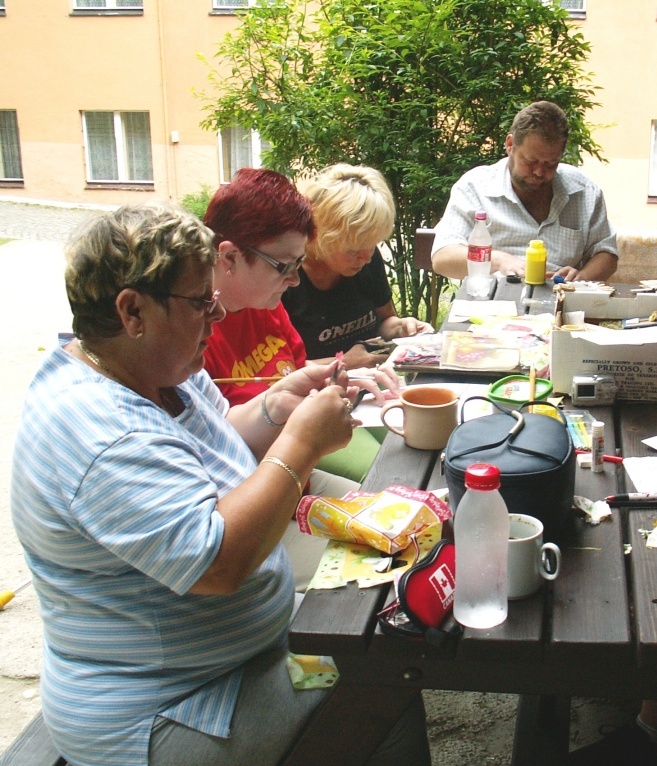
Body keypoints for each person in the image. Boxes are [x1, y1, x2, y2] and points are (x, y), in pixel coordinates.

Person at [10, 204, 431, 766]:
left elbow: (216, 442)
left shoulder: (150, 368)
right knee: (380, 677)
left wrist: (279, 406)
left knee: (377, 633)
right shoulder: (99, 431)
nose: (217, 314)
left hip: (221, 664)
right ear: (132, 310)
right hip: (167, 709)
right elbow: (218, 565)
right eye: (200, 303)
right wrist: (300, 445)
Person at [204, 168, 398, 485]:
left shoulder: (262, 300)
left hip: (294, 477)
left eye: (298, 264)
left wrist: (339, 375)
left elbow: (291, 370)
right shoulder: (192, 335)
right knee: (388, 480)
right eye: (285, 266)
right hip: (259, 491)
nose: (295, 280)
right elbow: (221, 454)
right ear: (229, 258)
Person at [431, 100, 619, 282]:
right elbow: (442, 257)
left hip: (561, 304)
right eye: (530, 161)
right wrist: (497, 260)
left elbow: (606, 253)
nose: (539, 172)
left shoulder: (583, 191)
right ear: (510, 144)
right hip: (490, 305)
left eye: (551, 164)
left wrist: (582, 277)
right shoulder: (475, 187)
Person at [283, 162, 432, 368]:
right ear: (320, 236)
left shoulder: (365, 260)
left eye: (372, 245)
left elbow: (384, 321)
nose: (367, 258)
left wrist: (401, 327)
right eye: (353, 250)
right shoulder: (286, 278)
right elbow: (279, 371)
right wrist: (343, 362)